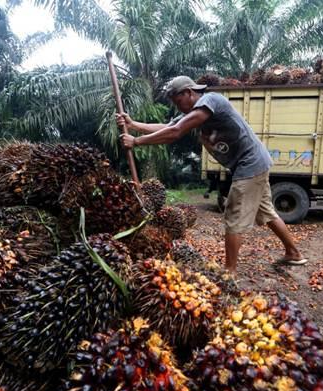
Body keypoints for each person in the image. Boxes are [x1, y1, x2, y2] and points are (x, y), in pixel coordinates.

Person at [117, 75, 307, 273]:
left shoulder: (211, 100)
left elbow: (175, 132)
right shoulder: (196, 111)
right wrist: (134, 125)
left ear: (188, 92)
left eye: (178, 101)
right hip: (254, 163)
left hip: (249, 164)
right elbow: (168, 127)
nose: (178, 107)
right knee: (266, 211)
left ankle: (229, 272)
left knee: (234, 215)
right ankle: (293, 253)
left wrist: (137, 141)